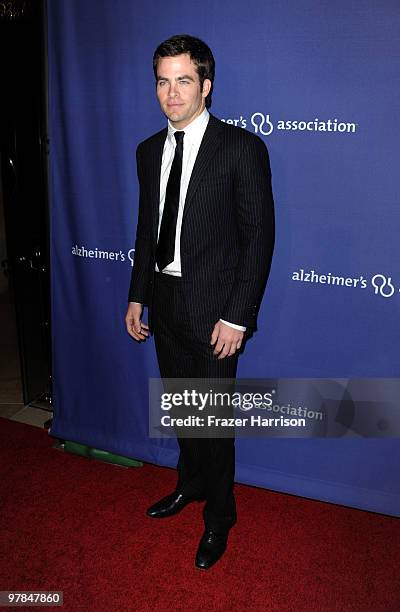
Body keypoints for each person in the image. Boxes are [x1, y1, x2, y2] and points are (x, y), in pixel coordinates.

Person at [125, 34, 275, 569]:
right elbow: (147, 232)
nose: (171, 93)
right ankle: (189, 487)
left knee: (213, 424)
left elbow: (259, 238)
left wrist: (238, 316)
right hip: (165, 304)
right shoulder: (148, 151)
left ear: (205, 86)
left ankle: (221, 518)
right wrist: (138, 297)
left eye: (183, 81)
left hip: (217, 312)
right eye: (162, 81)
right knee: (184, 415)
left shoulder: (241, 148)